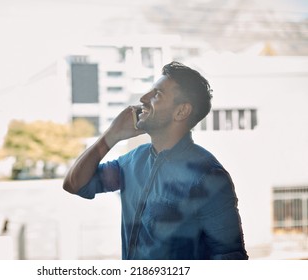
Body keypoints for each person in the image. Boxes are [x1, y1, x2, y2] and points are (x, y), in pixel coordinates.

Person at [63, 61, 248, 260]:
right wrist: (112, 135)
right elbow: (75, 184)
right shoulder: (132, 162)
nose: (143, 99)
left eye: (157, 94)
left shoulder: (209, 177)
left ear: (181, 111)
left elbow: (231, 258)